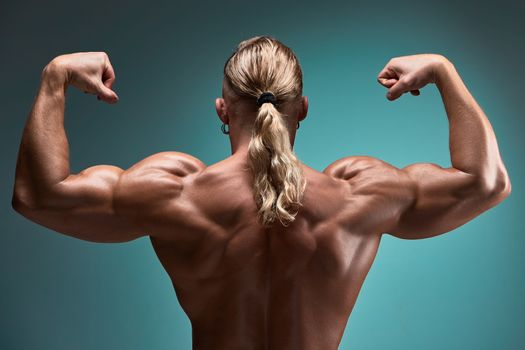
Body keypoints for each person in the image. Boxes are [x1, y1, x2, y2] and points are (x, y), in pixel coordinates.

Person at [12, 36, 511, 349]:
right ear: (303, 109)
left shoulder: (176, 192)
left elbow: (39, 195)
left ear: (223, 111)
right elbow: (486, 181)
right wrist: (445, 71)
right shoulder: (358, 194)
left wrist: (55, 77)